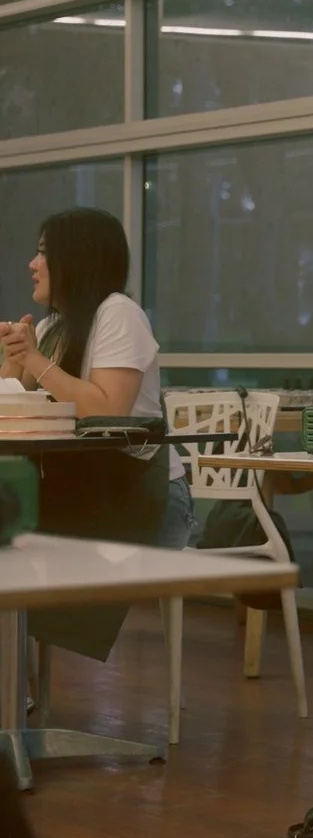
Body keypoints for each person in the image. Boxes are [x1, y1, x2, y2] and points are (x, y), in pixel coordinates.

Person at [0, 208, 188, 661]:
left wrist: (36, 361)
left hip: (141, 497)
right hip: (82, 490)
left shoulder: (119, 314)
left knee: (14, 549)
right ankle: (16, 690)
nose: (32, 264)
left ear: (75, 258)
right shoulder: (53, 326)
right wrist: (13, 361)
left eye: (43, 253)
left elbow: (108, 409)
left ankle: (15, 695)